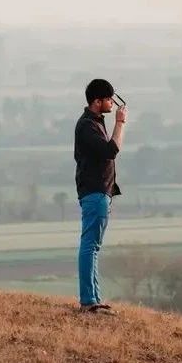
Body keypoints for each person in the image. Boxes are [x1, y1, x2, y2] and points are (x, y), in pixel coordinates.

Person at [74, 79, 127, 313]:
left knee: (93, 246)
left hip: (99, 192)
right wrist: (121, 123)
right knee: (90, 246)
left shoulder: (94, 123)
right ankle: (88, 300)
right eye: (109, 99)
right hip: (94, 192)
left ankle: (94, 298)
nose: (112, 104)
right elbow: (111, 151)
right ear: (97, 101)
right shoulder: (87, 126)